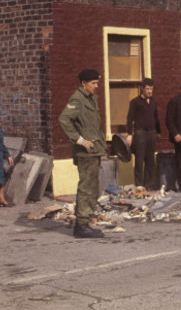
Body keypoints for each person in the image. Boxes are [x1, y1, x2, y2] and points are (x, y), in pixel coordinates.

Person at [58, 69, 107, 238]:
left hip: (94, 150)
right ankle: (81, 225)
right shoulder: (77, 99)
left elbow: (93, 126)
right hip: (85, 152)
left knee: (92, 186)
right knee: (86, 187)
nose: (96, 86)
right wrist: (79, 140)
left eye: (97, 83)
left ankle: (86, 220)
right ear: (83, 84)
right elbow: (64, 119)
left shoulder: (91, 98)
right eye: (93, 83)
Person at [126, 78, 161, 189]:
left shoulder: (153, 101)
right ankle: (139, 185)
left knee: (150, 160)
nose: (150, 91)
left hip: (152, 133)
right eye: (147, 89)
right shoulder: (135, 102)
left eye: (151, 89)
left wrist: (158, 131)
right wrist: (129, 134)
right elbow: (129, 119)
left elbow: (156, 117)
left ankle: (148, 184)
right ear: (142, 89)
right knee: (139, 160)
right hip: (140, 133)